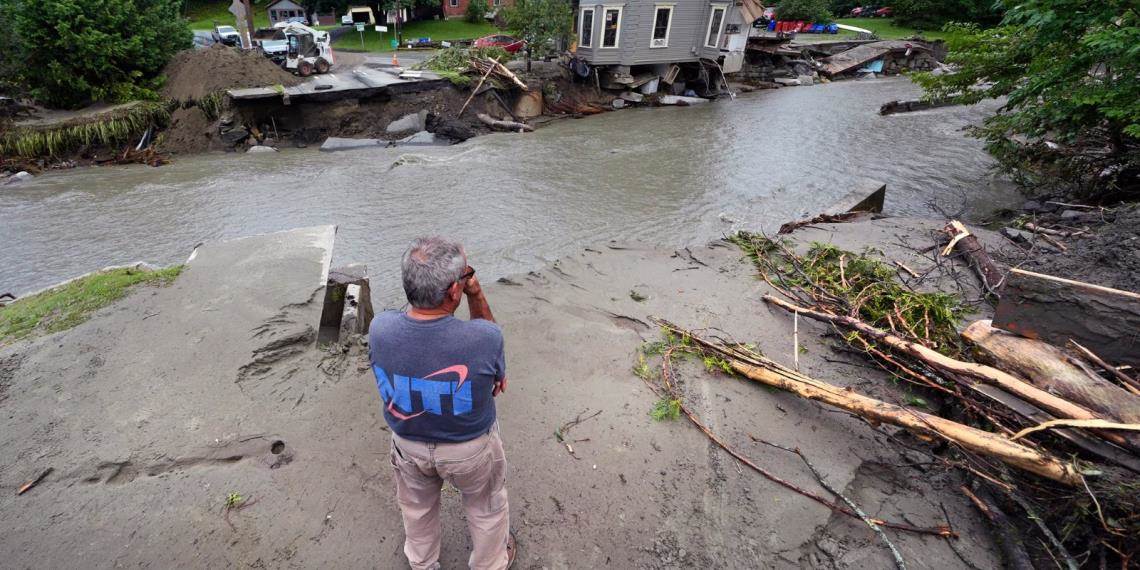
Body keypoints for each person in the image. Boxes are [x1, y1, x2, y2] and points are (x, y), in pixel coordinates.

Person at [368, 236, 515, 570]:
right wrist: (477, 293)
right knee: (486, 506)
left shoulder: (380, 328)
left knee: (416, 508)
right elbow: (496, 373)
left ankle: (421, 563)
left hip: (407, 443)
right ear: (453, 292)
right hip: (470, 449)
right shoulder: (483, 339)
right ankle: (489, 564)